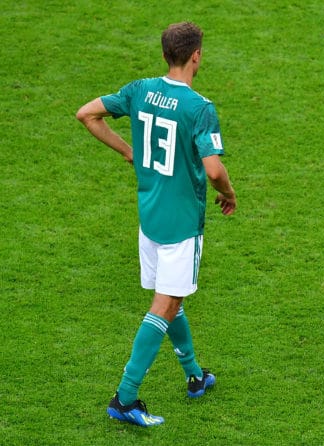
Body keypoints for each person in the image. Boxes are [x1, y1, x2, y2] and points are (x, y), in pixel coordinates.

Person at [76, 22, 237, 426]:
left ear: (166, 54)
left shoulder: (140, 90)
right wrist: (230, 194)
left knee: (171, 299)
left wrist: (130, 152)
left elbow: (87, 114)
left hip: (149, 219)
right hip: (182, 225)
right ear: (196, 55)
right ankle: (125, 398)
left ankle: (195, 376)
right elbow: (214, 170)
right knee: (164, 304)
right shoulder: (199, 107)